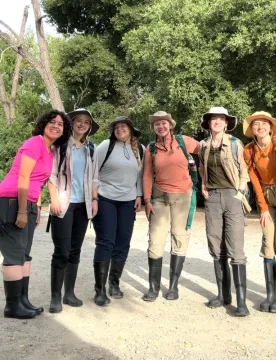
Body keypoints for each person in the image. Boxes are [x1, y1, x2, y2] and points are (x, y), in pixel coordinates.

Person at [0, 110, 71, 319]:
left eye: (61, 124)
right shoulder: (34, 142)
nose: (56, 126)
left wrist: (36, 208)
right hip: (12, 200)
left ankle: (23, 300)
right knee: (14, 254)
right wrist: (22, 210)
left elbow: (38, 182)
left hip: (29, 203)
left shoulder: (50, 151)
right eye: (52, 122)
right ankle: (12, 306)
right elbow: (23, 177)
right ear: (44, 124)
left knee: (25, 253)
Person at [243, 111, 276, 313]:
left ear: (271, 127)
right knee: (268, 243)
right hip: (264, 193)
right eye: (256, 124)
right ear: (252, 129)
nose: (260, 127)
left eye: (264, 123)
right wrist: (263, 208)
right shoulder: (249, 150)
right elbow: (254, 178)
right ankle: (271, 294)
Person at [199, 106, 251, 317]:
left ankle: (241, 302)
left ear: (227, 123)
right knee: (215, 244)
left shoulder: (235, 143)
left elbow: (244, 170)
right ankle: (223, 295)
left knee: (235, 247)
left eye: (221, 119)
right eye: (214, 119)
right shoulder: (203, 145)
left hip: (232, 195)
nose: (217, 122)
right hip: (212, 197)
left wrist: (240, 192)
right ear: (209, 123)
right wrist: (203, 184)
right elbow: (203, 168)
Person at [142, 111, 199, 302]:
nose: (161, 126)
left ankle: (173, 287)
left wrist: (206, 181)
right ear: (154, 128)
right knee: (155, 241)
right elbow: (147, 175)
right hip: (159, 197)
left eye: (164, 123)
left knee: (179, 237)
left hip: (183, 196)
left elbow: (207, 152)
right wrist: (147, 200)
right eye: (157, 124)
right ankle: (153, 288)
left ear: (170, 125)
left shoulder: (184, 141)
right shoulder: (151, 148)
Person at [47, 108, 100, 313]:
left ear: (89, 127)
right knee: (61, 250)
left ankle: (69, 293)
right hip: (63, 203)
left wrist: (94, 200)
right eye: (79, 120)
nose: (82, 124)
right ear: (72, 123)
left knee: (75, 250)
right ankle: (55, 297)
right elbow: (50, 175)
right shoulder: (60, 146)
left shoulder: (90, 149)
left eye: (86, 122)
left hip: (83, 205)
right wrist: (53, 200)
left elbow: (95, 177)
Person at [92, 116, 143, 306]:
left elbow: (139, 176)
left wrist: (138, 195)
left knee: (123, 243)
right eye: (116, 127)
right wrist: (94, 197)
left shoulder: (139, 150)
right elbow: (92, 171)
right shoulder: (106, 145)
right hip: (105, 198)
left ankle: (114, 283)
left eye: (123, 126)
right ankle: (100, 289)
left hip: (128, 202)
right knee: (106, 242)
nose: (120, 129)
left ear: (131, 129)